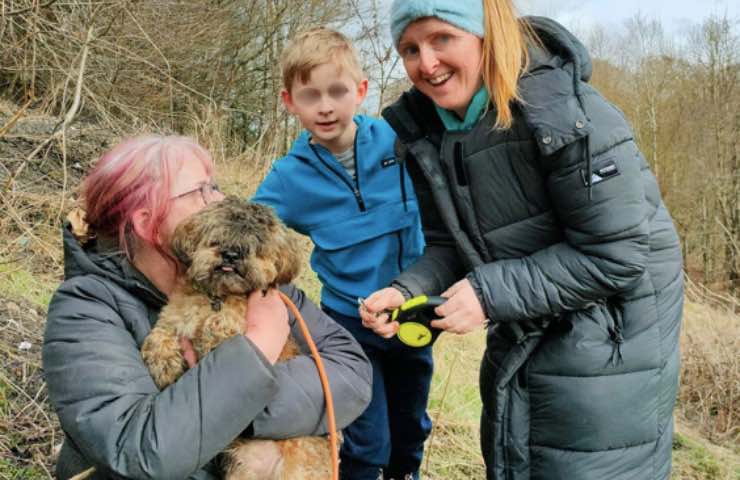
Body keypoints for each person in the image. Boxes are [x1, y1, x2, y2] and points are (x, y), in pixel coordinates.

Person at [360, 1, 684, 479]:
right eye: (410, 48)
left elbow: (615, 254)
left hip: (609, 352)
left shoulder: (565, 110)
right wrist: (407, 292)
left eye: (442, 39)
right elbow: (450, 246)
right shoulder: (429, 131)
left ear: (485, 34)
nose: (426, 63)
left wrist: (488, 294)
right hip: (522, 336)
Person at [42, 135, 372, 480]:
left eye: (215, 187)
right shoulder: (86, 307)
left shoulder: (258, 279)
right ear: (146, 221)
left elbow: (352, 374)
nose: (220, 199)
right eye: (201, 191)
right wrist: (259, 345)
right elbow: (139, 449)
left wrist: (243, 407)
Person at [252, 28, 430, 480]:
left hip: (413, 312)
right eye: (310, 96)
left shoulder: (399, 141)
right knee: (366, 437)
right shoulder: (290, 178)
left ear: (361, 91)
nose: (325, 106)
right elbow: (249, 227)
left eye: (337, 91)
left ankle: (406, 474)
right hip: (347, 324)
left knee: (410, 422)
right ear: (289, 101)